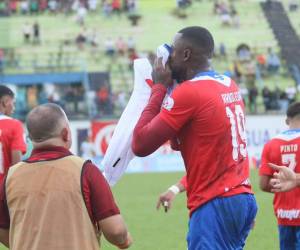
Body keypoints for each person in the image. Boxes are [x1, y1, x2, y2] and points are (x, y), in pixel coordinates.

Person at [132, 26, 257, 249]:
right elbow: (179, 143)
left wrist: (159, 88)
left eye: (174, 52)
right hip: (242, 197)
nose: (168, 57)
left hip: (214, 203)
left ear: (186, 54)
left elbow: (140, 144)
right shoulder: (229, 84)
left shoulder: (191, 92)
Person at [0, 103, 132, 250]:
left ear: (30, 138)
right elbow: (116, 231)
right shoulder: (86, 171)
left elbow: (3, 230)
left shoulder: (11, 176)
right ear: (66, 134)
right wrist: (124, 240)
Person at [259, 101, 300, 250]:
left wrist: (284, 188)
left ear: (287, 120)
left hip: (284, 214)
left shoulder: (271, 144)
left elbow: (263, 184)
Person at [0, 85, 26, 183]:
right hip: (4, 191)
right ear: (5, 102)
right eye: (13, 103)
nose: (14, 108)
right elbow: (16, 164)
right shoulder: (14, 125)